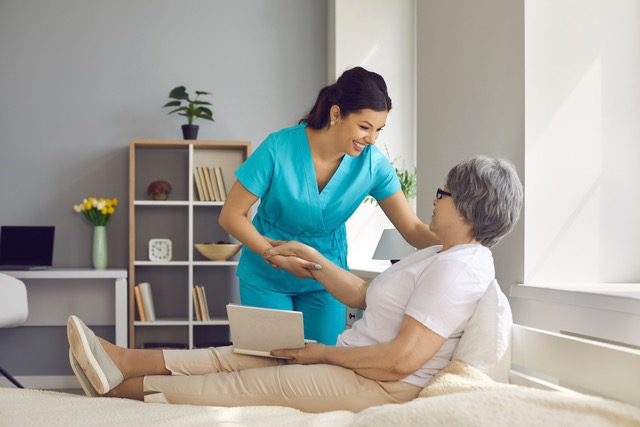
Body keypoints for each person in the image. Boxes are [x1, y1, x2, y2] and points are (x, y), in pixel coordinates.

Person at [67, 156, 523, 413]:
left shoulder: (460, 269)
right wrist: (317, 261)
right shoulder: (438, 254)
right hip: (355, 364)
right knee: (240, 355)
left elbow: (402, 361)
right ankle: (121, 359)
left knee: (241, 384)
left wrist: (322, 353)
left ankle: (113, 393)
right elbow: (367, 296)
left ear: (465, 207)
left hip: (380, 386)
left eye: (443, 194)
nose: (435, 200)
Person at [219, 66, 439, 345]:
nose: (371, 139)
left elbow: (413, 228)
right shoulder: (278, 148)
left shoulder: (373, 166)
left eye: (379, 130)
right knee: (269, 368)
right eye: (364, 127)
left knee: (320, 369)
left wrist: (459, 243)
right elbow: (231, 216)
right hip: (267, 272)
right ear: (336, 114)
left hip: (326, 278)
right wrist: (273, 254)